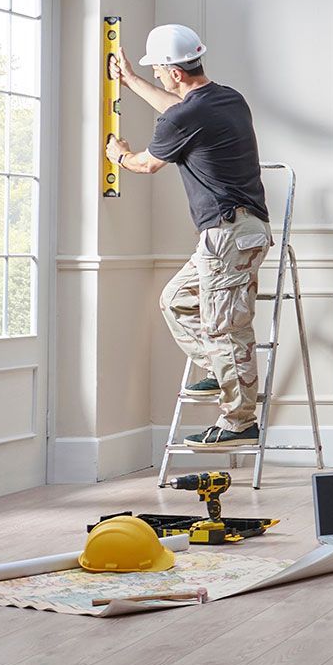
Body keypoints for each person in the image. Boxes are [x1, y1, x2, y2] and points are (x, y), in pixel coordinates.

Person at [106, 23, 272, 449]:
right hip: (238, 232)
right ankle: (221, 372)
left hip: (228, 234)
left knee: (224, 329)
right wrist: (132, 80)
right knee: (175, 300)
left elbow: (147, 164)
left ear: (175, 72)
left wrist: (118, 155)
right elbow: (175, 108)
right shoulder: (227, 99)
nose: (160, 79)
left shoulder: (184, 116)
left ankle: (239, 421)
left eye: (160, 72)